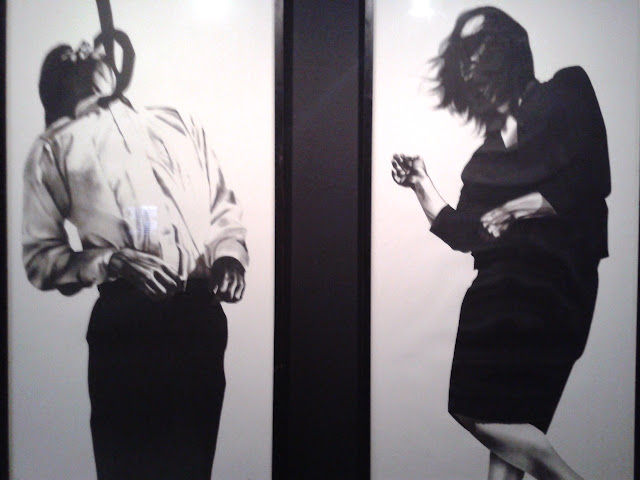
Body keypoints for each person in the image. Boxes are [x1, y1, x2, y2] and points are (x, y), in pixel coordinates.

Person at [392, 7, 609, 480]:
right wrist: (421, 184)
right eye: (462, 57)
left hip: (555, 287)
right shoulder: (484, 159)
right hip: (491, 297)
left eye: (477, 50)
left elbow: (591, 181)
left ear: (510, 49)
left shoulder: (566, 92)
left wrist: (517, 208)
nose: (468, 65)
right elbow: (465, 233)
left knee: (477, 411)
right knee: (507, 439)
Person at [23, 41, 248, 480]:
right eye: (68, 55)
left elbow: (223, 207)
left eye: (87, 47)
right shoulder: (55, 147)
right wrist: (112, 261)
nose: (85, 47)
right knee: (126, 463)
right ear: (55, 88)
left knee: (192, 462)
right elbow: (40, 257)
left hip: (199, 317)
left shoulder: (178, 122)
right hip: (126, 322)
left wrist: (229, 256)